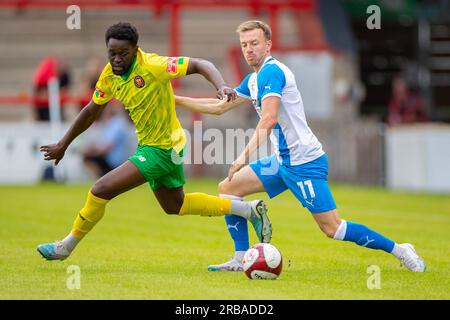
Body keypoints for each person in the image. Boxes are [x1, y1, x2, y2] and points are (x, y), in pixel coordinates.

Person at [175, 20, 426, 272]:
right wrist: (174, 99)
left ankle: (400, 249)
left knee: (333, 228)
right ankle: (241, 258)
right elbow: (220, 106)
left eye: (254, 43)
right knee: (228, 187)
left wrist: (243, 156)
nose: (249, 49)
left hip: (304, 163)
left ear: (268, 45)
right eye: (244, 45)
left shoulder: (273, 72)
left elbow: (269, 118)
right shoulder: (253, 80)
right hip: (283, 161)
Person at [36, 22, 272, 261]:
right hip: (156, 145)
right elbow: (90, 111)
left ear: (135, 49)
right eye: (112, 53)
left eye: (123, 53)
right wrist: (63, 144)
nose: (116, 59)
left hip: (164, 147)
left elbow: (201, 64)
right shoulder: (109, 75)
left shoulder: (153, 65)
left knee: (100, 189)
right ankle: (247, 209)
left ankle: (65, 246)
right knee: (174, 205)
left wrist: (221, 85)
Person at [82, 104, 136, 179]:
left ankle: (101, 179)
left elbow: (106, 147)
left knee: (88, 158)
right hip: (114, 159)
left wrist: (90, 151)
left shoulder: (116, 124)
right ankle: (103, 179)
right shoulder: (112, 124)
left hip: (114, 161)